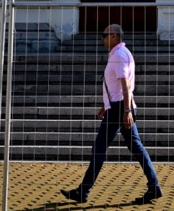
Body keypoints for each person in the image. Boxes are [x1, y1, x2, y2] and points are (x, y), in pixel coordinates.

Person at [61, 24, 163, 205]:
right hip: (117, 107)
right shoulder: (120, 54)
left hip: (120, 109)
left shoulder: (118, 55)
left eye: (105, 35)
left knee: (99, 149)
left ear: (115, 36)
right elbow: (117, 86)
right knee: (136, 148)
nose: (103, 39)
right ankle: (154, 186)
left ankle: (83, 191)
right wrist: (106, 106)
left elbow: (125, 85)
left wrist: (126, 110)